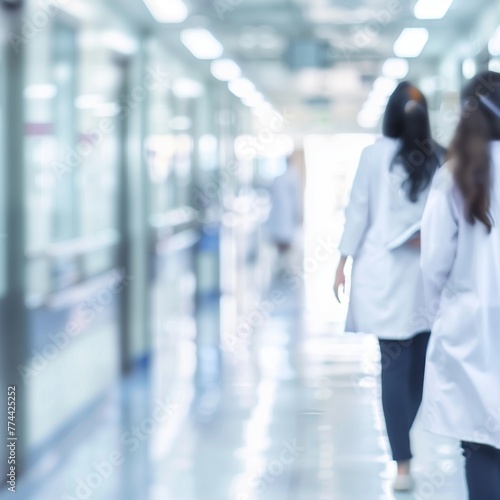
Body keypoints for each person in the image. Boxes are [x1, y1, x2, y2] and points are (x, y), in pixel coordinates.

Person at [333, 82, 445, 491]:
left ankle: (402, 461)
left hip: (390, 280)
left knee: (396, 371)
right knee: (416, 370)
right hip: (426, 281)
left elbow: (358, 212)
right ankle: (403, 452)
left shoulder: (376, 156)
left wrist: (343, 260)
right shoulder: (440, 157)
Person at [420, 71, 500, 500]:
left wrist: (440, 315)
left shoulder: (455, 174)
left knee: (482, 444)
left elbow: (434, 264)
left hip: (470, 328)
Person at [266, 154, 302, 271]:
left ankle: (283, 264)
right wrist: (298, 213)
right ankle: (283, 265)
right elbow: (296, 197)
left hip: (281, 215)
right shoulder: (292, 177)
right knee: (284, 241)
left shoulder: (280, 178)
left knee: (283, 241)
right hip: (284, 215)